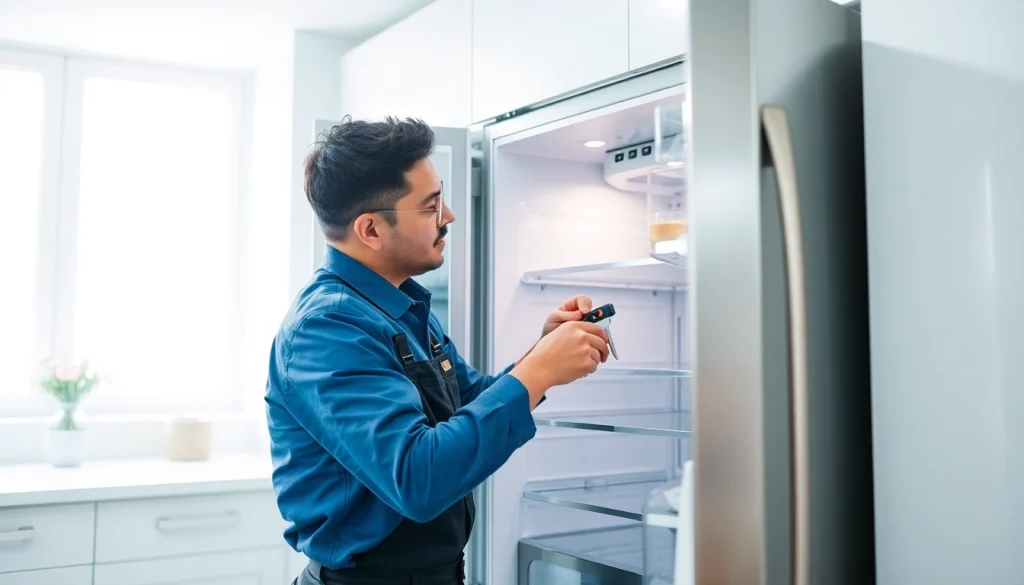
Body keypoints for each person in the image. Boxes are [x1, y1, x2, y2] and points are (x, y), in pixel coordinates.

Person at [265, 116, 611, 585]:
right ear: (370, 230)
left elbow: (467, 406)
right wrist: (538, 375)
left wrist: (541, 354)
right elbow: (418, 477)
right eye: (431, 207)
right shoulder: (328, 328)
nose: (448, 216)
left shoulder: (400, 307)